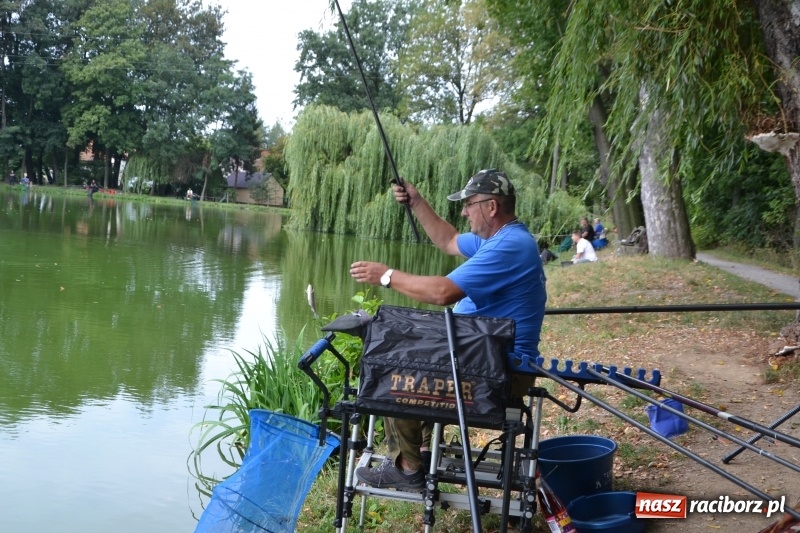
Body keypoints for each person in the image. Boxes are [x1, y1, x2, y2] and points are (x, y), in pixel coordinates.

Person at [349, 168, 547, 490]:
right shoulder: (496, 239)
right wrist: (416, 202)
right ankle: (422, 449)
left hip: (501, 372)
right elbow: (449, 240)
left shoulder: (510, 246)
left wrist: (387, 276)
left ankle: (409, 467)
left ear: (491, 207)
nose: (464, 211)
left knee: (394, 364)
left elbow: (443, 292)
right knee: (409, 345)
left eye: (469, 204)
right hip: (485, 356)